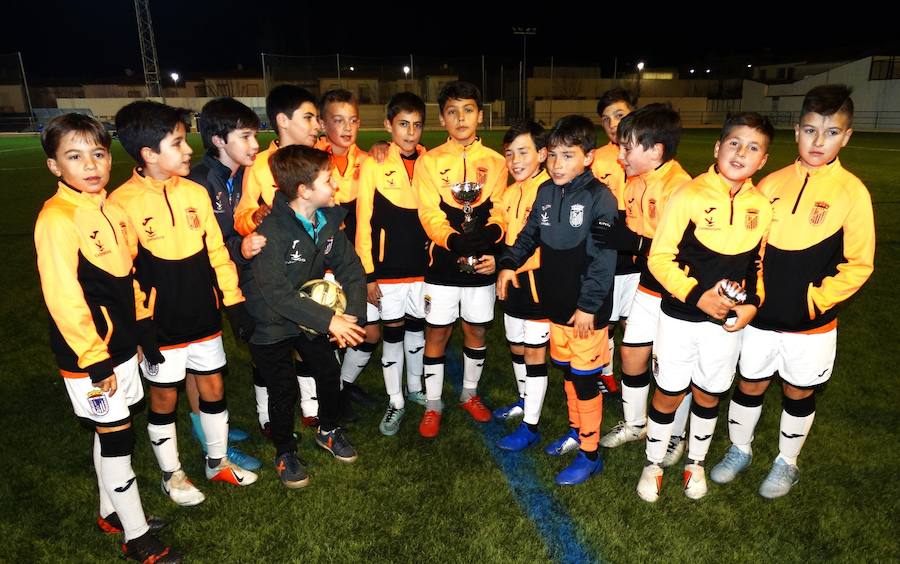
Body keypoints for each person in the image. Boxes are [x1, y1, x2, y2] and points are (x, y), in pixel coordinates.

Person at [709, 85, 875, 499]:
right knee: (749, 382)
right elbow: (751, 248)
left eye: (831, 133)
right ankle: (740, 449)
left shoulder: (853, 193)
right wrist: (751, 294)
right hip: (760, 316)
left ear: (847, 136)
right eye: (810, 130)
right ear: (796, 131)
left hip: (810, 324)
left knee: (798, 390)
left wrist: (814, 300)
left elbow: (859, 264)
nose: (819, 142)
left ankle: (787, 462)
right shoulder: (769, 184)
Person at [35, 112, 183, 562]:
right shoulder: (57, 219)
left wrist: (142, 328)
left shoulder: (113, 209)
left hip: (120, 346)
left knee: (109, 431)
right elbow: (64, 297)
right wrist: (94, 358)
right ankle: (136, 537)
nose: (91, 165)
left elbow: (130, 279)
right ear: (55, 167)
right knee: (118, 435)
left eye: (97, 153)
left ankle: (109, 512)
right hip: (89, 355)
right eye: (74, 157)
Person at [110, 101, 258, 508]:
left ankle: (217, 461)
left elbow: (218, 255)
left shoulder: (195, 191)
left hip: (203, 316)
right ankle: (171, 473)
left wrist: (235, 304)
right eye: (177, 143)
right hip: (160, 324)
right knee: (164, 398)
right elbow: (124, 275)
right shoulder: (120, 204)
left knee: (212, 384)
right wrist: (141, 325)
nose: (188, 149)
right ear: (148, 154)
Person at [636, 112, 774, 502]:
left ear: (762, 161)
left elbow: (756, 265)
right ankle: (654, 462)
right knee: (668, 391)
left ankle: (695, 462)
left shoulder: (761, 206)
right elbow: (659, 258)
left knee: (710, 393)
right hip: (681, 316)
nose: (741, 152)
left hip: (727, 323)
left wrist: (753, 305)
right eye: (734, 143)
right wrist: (697, 296)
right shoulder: (689, 195)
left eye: (752, 148)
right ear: (718, 148)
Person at [498, 115, 617, 485]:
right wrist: (507, 264)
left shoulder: (600, 198)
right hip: (556, 307)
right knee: (568, 373)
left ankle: (590, 454)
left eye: (568, 155)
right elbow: (529, 234)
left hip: (585, 313)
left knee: (584, 380)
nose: (557, 164)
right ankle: (574, 431)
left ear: (589, 157)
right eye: (554, 156)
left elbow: (603, 260)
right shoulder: (546, 192)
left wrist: (588, 307)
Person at [241, 145, 367, 488]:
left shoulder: (326, 221)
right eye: (328, 179)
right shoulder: (272, 230)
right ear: (304, 190)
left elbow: (351, 269)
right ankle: (284, 450)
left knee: (328, 370)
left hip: (308, 312)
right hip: (270, 317)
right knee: (282, 388)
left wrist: (350, 318)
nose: (335, 185)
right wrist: (330, 321)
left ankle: (328, 430)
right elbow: (277, 293)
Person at [413, 81, 507, 438]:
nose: (461, 117)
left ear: (480, 115)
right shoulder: (430, 162)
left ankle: (469, 393)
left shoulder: (496, 163)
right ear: (442, 119)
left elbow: (500, 210)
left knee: (476, 328)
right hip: (443, 264)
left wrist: (491, 239)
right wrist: (452, 239)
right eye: (452, 111)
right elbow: (428, 213)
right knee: (437, 330)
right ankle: (433, 403)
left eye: (468, 110)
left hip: (481, 263)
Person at [355, 92, 430, 435]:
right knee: (392, 335)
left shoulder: (430, 161)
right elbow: (364, 222)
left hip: (424, 270)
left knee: (418, 329)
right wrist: (369, 274)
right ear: (388, 126)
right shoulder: (374, 163)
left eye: (416, 125)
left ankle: (414, 388)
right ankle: (395, 399)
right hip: (386, 271)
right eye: (403, 125)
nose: (410, 132)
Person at [491, 120, 552, 453]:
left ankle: (531, 426)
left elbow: (545, 244)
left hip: (537, 283)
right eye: (510, 153)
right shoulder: (511, 190)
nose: (515, 160)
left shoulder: (550, 190)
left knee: (534, 353)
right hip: (510, 278)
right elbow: (500, 227)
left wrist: (509, 266)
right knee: (515, 345)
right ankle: (524, 399)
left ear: (542, 154)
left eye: (523, 152)